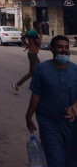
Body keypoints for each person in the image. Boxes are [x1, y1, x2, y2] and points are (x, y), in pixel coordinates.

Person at [25, 35, 77, 167]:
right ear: (52, 49)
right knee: (55, 160)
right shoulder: (42, 69)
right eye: (60, 47)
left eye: (66, 47)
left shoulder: (75, 69)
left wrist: (75, 107)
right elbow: (36, 95)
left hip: (71, 124)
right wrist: (28, 116)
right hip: (50, 124)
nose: (64, 50)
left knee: (71, 160)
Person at [12, 21, 41, 94]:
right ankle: (17, 85)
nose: (41, 27)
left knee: (39, 67)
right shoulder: (34, 33)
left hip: (32, 53)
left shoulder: (30, 32)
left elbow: (22, 38)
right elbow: (39, 44)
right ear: (37, 26)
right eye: (40, 25)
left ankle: (39, 85)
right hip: (33, 53)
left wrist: (28, 45)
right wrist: (40, 34)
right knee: (31, 72)